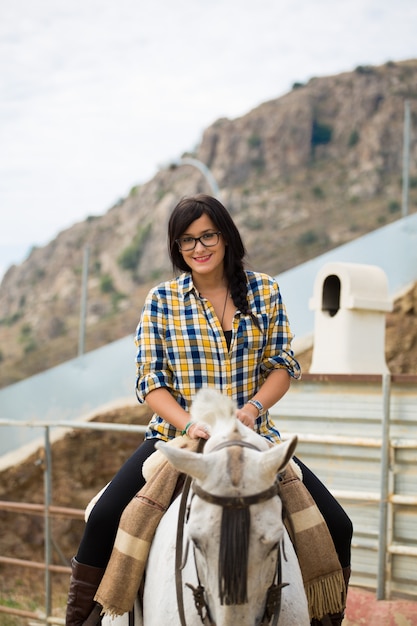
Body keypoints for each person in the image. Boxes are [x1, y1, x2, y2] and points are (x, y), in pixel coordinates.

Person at [66, 194, 352, 626]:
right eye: (186, 241)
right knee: (105, 517)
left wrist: (254, 408)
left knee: (338, 525)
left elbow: (282, 366)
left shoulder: (265, 290)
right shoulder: (162, 300)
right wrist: (190, 423)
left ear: (226, 236)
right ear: (176, 248)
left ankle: (326, 620)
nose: (198, 248)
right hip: (175, 437)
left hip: (255, 440)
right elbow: (150, 381)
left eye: (207, 236)